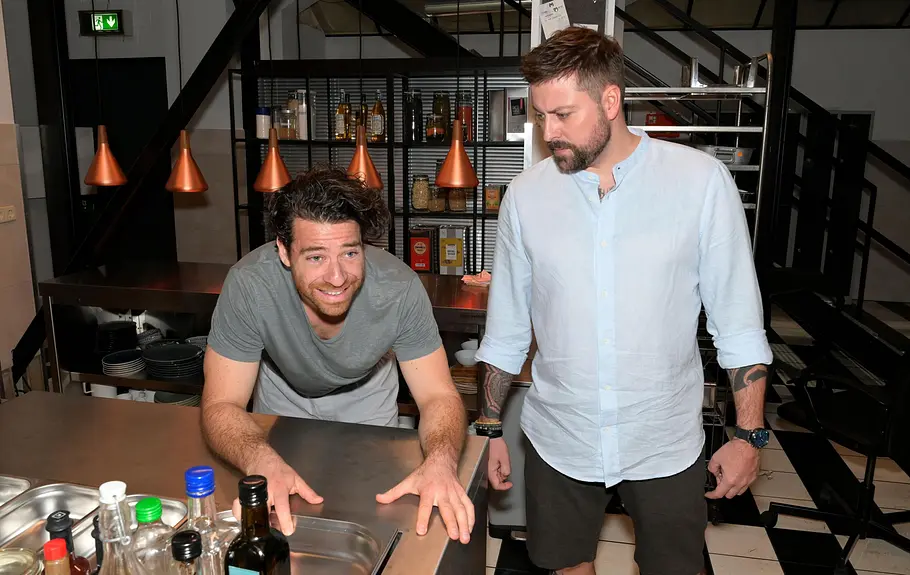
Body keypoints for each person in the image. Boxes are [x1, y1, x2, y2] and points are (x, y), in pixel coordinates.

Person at [473, 27, 773, 575]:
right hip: (559, 435)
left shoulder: (700, 182)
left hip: (663, 438)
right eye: (540, 116)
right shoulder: (526, 196)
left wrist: (748, 435)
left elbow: (739, 325)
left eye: (563, 114)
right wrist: (489, 429)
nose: (548, 131)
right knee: (566, 565)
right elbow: (507, 330)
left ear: (610, 101)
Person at [201, 166, 474, 544]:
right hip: (283, 395)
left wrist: (442, 462)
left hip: (367, 394)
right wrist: (259, 459)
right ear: (284, 251)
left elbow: (438, 395)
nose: (336, 277)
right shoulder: (250, 285)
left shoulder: (399, 289)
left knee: (372, 517)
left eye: (349, 252)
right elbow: (221, 404)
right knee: (288, 527)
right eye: (315, 257)